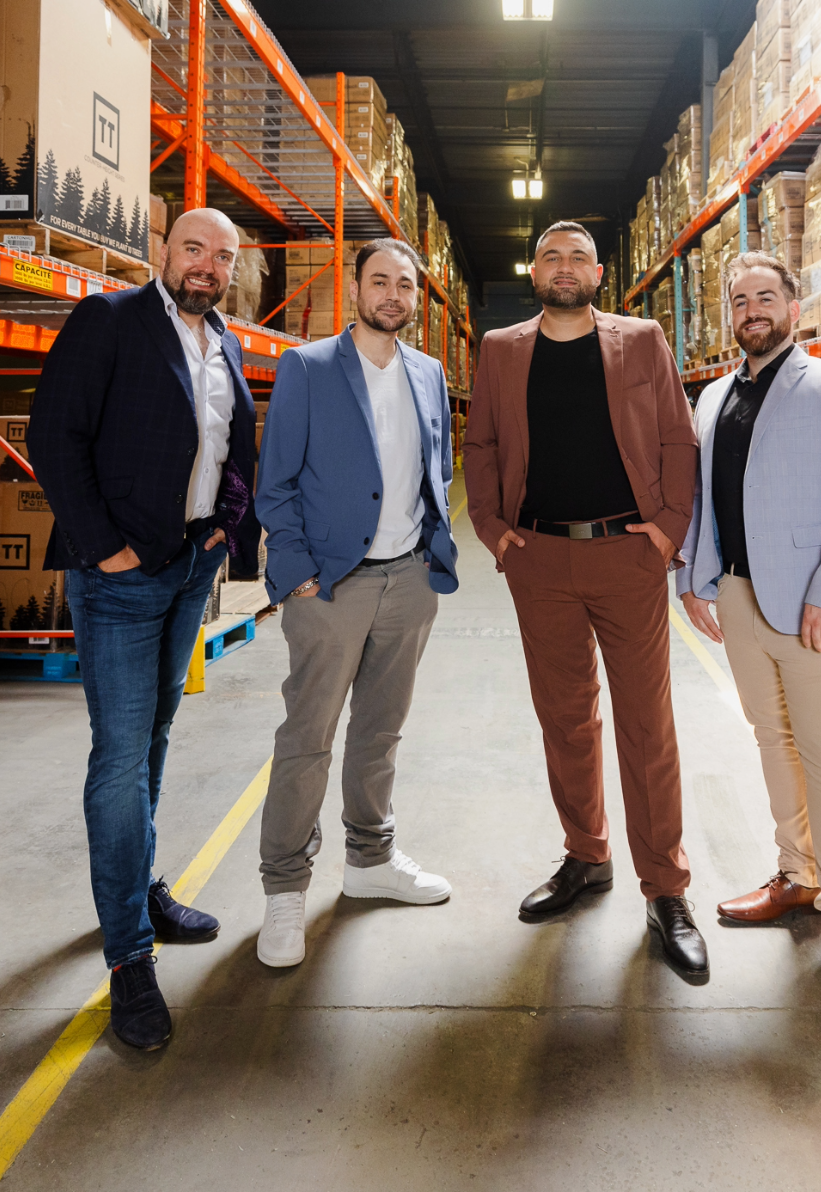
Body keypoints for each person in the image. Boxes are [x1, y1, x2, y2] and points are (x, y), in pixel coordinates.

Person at [28, 209, 260, 1051]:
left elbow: (235, 449)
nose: (206, 265)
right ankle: (129, 957)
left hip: (189, 569)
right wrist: (107, 551)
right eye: (194, 248)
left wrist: (220, 530)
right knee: (120, 757)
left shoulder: (226, 339)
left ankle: (138, 887)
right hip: (121, 578)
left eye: (222, 256)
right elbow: (54, 438)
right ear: (164, 252)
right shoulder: (111, 321)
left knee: (157, 736)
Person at [462, 221, 706, 975]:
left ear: (599, 271)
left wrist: (666, 532)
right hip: (538, 557)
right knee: (565, 719)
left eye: (577, 257)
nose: (563, 268)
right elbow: (482, 446)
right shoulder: (501, 349)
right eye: (550, 256)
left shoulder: (641, 340)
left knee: (645, 723)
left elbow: (676, 437)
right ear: (532, 269)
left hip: (627, 555)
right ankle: (586, 855)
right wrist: (495, 531)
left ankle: (665, 888)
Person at [677, 253, 821, 1009]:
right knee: (773, 741)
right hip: (736, 596)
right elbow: (704, 501)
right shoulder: (712, 398)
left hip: (814, 608)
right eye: (740, 300)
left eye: (766, 297)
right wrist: (694, 580)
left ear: (794, 308)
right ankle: (797, 877)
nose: (751, 310)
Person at [254, 238, 458, 969]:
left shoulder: (429, 372)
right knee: (307, 737)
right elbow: (274, 483)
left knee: (380, 730)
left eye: (405, 284)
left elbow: (439, 467)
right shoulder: (308, 368)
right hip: (331, 586)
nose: (393, 295)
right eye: (381, 282)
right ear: (356, 287)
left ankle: (371, 862)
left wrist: (437, 551)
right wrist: (298, 575)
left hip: (408, 581)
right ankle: (284, 887)